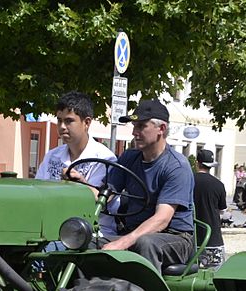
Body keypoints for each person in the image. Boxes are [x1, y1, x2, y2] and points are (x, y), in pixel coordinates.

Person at [102, 99, 194, 272]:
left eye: (141, 126)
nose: (134, 133)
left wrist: (124, 241)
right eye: (134, 127)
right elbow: (106, 194)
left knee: (145, 243)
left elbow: (162, 219)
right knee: (84, 241)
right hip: (133, 231)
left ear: (162, 129)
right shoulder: (129, 157)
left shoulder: (176, 166)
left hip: (175, 237)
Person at [36, 91, 117, 240]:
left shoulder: (105, 159)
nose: (62, 127)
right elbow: (37, 192)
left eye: (68, 121)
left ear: (86, 123)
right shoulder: (52, 156)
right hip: (51, 227)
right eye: (59, 120)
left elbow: (100, 201)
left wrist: (80, 184)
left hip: (90, 233)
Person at [193, 149, 227, 291]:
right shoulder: (218, 185)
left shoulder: (187, 181)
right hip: (212, 239)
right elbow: (221, 211)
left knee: (191, 278)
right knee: (215, 280)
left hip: (190, 239)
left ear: (197, 163)